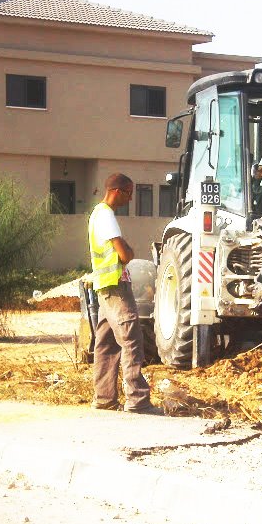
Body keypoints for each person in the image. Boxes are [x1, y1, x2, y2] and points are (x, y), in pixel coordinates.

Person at [88, 173, 157, 413]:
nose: (130, 199)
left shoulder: (97, 214)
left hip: (104, 287)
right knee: (131, 340)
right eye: (129, 193)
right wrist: (129, 248)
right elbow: (126, 255)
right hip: (116, 286)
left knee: (106, 344)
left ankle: (104, 398)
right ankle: (137, 400)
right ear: (116, 190)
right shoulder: (107, 216)